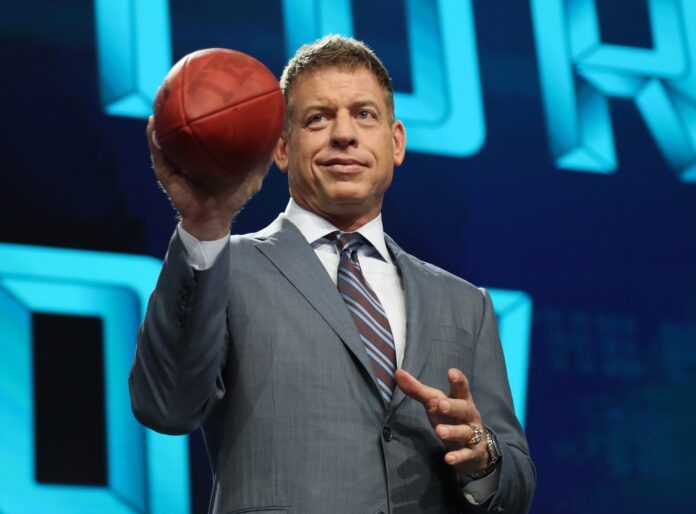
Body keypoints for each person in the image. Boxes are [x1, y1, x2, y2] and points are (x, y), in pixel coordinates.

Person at [129, 35, 535, 513]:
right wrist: (204, 224)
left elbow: (516, 488)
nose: (344, 134)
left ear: (396, 142)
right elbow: (166, 405)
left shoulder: (467, 305)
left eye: (364, 114)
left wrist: (481, 455)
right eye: (317, 118)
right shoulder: (225, 267)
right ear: (281, 148)